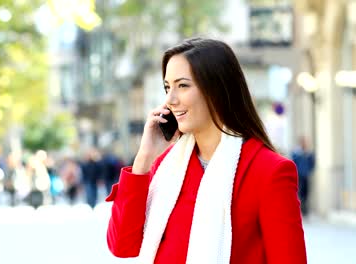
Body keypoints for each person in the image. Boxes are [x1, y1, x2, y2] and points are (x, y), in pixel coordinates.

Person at [106, 38, 307, 264]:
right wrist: (143, 158)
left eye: (182, 85)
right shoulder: (166, 167)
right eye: (167, 87)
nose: (170, 99)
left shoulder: (269, 171)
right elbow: (122, 245)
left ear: (216, 89)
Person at [291, 136, 315, 216]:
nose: (305, 144)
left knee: (306, 193)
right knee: (300, 193)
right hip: (299, 176)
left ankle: (305, 210)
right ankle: (301, 210)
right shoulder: (296, 153)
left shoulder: (309, 153)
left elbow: (312, 163)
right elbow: (293, 163)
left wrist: (309, 170)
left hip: (306, 176)